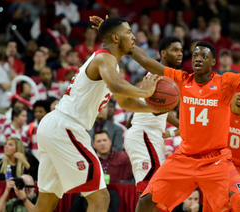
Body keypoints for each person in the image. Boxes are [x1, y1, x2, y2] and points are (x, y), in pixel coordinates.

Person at [90, 16, 240, 211]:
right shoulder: (181, 79)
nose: (198, 58)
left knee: (239, 204)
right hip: (184, 158)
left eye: (203, 56)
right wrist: (114, 37)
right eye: (195, 54)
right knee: (146, 201)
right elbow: (148, 62)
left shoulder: (226, 82)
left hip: (216, 160)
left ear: (213, 62)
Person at [33, 17, 161, 212]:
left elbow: (125, 101)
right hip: (66, 128)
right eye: (128, 32)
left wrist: (154, 108)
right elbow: (117, 85)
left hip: (55, 127)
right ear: (116, 38)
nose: (133, 36)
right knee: (100, 198)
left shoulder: (111, 64)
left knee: (45, 203)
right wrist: (146, 92)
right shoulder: (104, 57)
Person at [124, 36, 181, 194]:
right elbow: (157, 110)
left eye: (181, 50)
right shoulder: (158, 73)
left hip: (152, 134)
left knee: (155, 191)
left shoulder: (172, 77)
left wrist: (177, 128)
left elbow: (162, 111)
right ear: (163, 53)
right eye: (174, 50)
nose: (180, 54)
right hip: (143, 133)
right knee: (149, 190)